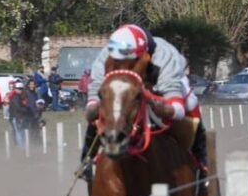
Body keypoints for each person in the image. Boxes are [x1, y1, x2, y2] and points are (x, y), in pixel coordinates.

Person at [78, 23, 207, 182]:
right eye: (117, 62)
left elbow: (177, 109)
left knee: (191, 104)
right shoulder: (104, 58)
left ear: (144, 56)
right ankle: (86, 159)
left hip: (159, 86)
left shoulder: (164, 58)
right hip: (129, 89)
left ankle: (201, 160)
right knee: (105, 108)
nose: (123, 67)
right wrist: (99, 106)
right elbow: (93, 99)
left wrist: (154, 102)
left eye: (130, 62)